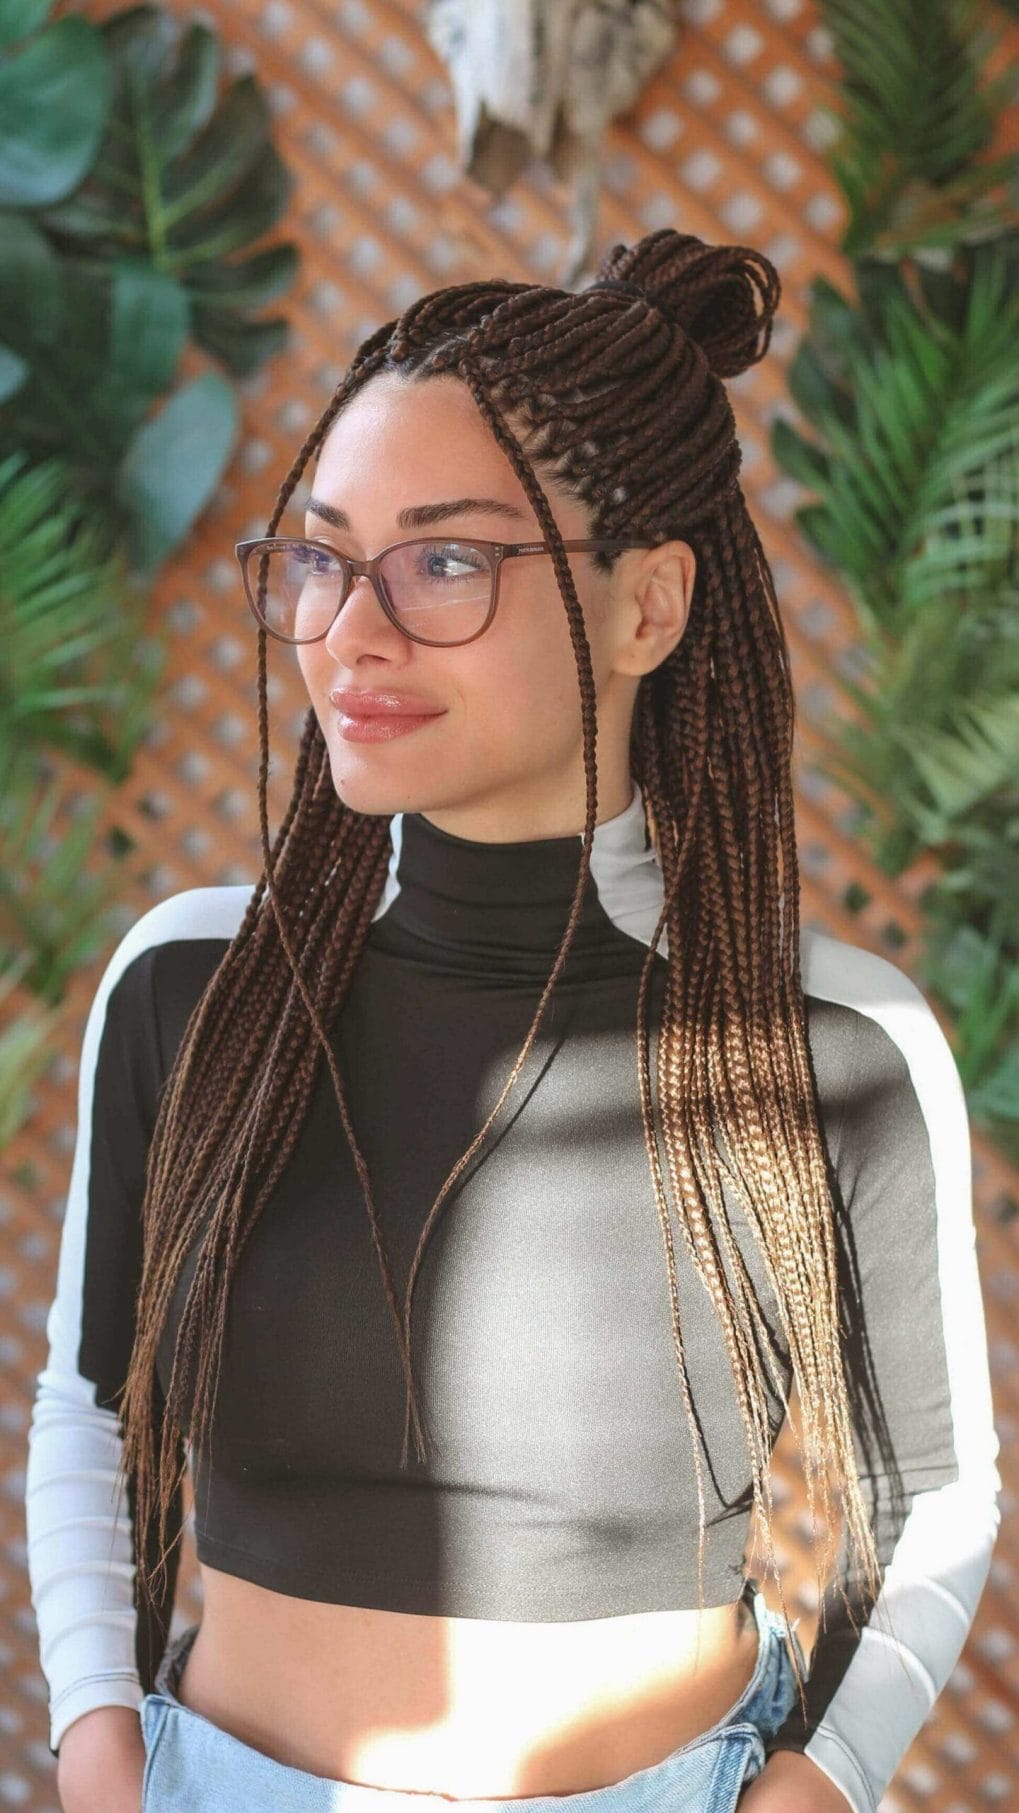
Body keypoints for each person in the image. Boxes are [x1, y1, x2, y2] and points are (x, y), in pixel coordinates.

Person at [26, 229, 1001, 1813]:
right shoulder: (193, 989)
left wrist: (815, 1787)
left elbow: (938, 1495)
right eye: (324, 557)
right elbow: (90, 1403)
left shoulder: (826, 1047)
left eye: (448, 558)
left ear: (649, 606)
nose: (351, 627)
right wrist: (101, 1750)